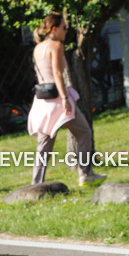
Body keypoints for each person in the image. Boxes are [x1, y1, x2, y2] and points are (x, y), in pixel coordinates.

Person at [28, 13, 106, 186]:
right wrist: (64, 98)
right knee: (84, 132)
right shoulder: (55, 45)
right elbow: (57, 72)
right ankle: (85, 173)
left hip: (43, 101)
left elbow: (43, 74)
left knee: (44, 144)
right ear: (54, 29)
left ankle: (36, 183)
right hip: (58, 99)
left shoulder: (38, 48)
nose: (66, 31)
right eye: (64, 27)